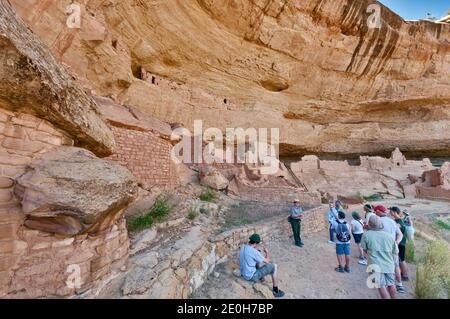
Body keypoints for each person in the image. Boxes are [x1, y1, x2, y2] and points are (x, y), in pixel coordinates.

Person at [361, 215, 399, 299]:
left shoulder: (366, 235)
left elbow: (364, 250)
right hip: (389, 264)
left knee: (380, 286)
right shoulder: (389, 236)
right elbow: (395, 251)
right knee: (391, 284)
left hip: (375, 265)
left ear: (369, 224)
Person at [373, 205, 406, 293]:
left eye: (375, 211)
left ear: (379, 211)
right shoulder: (392, 221)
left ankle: (386, 285)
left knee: (383, 267)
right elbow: (400, 235)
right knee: (396, 266)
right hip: (393, 247)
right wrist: (396, 242)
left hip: (383, 248)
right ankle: (399, 285)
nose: (375, 212)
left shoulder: (378, 221)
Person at [389, 207, 409, 281]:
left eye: (390, 211)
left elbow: (398, 234)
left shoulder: (398, 222)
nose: (389, 212)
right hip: (401, 243)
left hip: (400, 243)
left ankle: (405, 275)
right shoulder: (398, 220)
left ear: (394, 212)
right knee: (400, 259)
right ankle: (402, 273)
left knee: (401, 259)